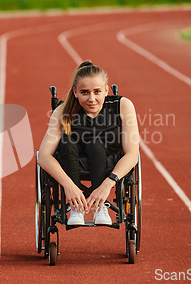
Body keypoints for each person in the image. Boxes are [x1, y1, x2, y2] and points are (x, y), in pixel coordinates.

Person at [37, 61, 139, 225]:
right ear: (75, 92)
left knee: (95, 144)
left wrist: (107, 185)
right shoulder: (63, 111)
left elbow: (132, 154)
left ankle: (101, 207)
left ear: (106, 90)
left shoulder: (122, 106)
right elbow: (43, 156)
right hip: (71, 163)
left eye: (97, 91)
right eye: (84, 92)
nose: (91, 99)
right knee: (68, 140)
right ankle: (76, 208)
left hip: (109, 163)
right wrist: (69, 186)